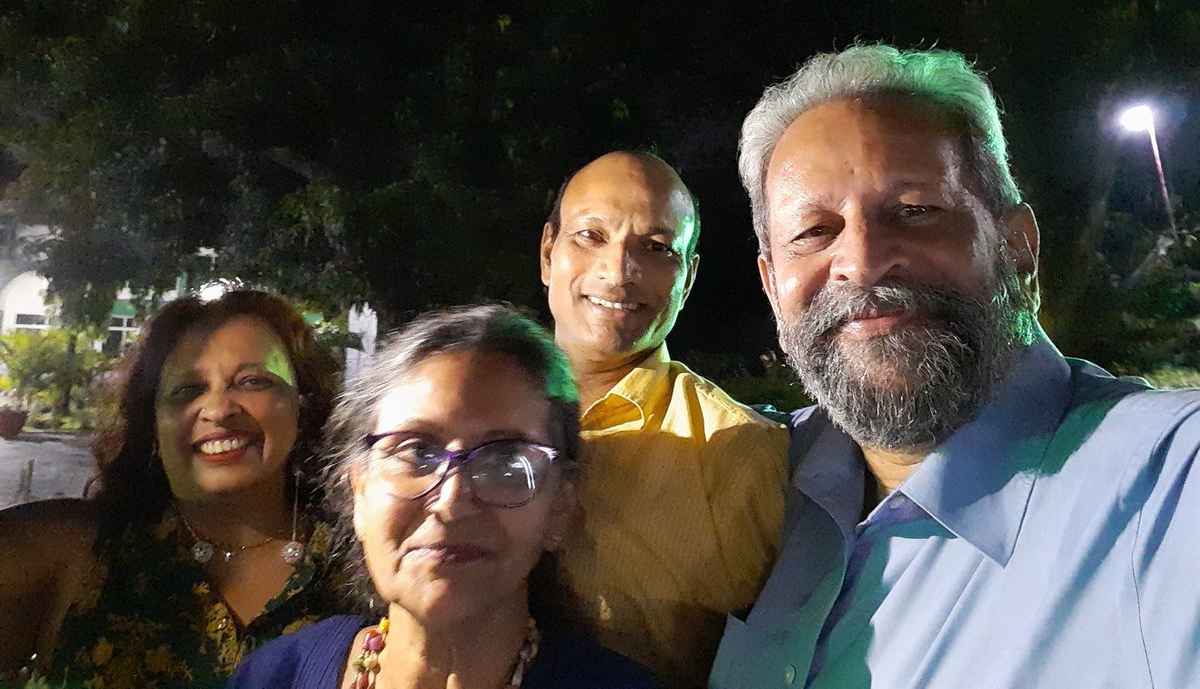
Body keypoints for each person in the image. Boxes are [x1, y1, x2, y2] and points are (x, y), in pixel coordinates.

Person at [710, 43, 1200, 687]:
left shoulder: (1166, 489)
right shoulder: (743, 481)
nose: (861, 261)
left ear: (1017, 247)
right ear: (773, 288)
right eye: (814, 231)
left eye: (915, 211)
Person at [230, 304, 659, 688]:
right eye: (416, 451)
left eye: (506, 464)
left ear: (561, 506)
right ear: (356, 488)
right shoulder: (276, 675)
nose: (452, 501)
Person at [0, 289, 344, 686]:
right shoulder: (71, 551)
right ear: (152, 423)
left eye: (252, 381)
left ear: (303, 404)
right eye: (187, 390)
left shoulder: (369, 563)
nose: (218, 410)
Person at [539, 151, 788, 685]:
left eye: (655, 248)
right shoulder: (474, 417)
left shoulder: (738, 452)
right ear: (547, 253)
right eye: (590, 235)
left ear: (688, 278)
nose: (619, 270)